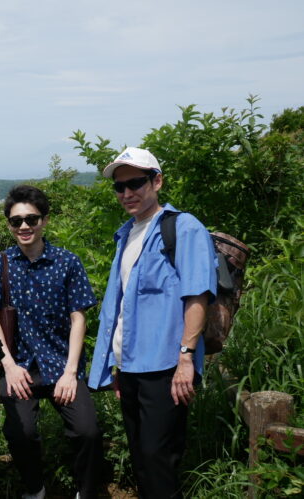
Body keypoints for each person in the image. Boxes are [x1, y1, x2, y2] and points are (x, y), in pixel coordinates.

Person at [88, 147, 217, 498]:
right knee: (142, 458)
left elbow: (197, 296)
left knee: (158, 458)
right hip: (130, 367)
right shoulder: (126, 234)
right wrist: (116, 365)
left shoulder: (182, 227)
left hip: (166, 365)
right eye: (119, 187)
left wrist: (186, 358)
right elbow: (121, 309)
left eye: (136, 183)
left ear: (157, 181)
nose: (127, 193)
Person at [0, 185, 103, 499]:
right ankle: (35, 489)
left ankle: (86, 491)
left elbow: (79, 319)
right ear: (9, 224)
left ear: (44, 220)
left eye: (31, 219)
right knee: (22, 434)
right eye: (16, 220)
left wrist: (71, 373)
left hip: (62, 363)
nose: (24, 226)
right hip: (18, 365)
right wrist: (8, 366)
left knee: (87, 431)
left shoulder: (66, 262)